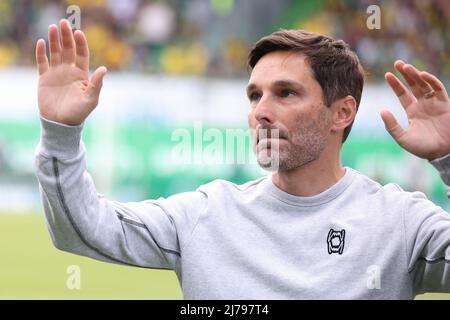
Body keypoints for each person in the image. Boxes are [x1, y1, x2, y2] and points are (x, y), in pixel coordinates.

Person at [35, 20, 450, 299]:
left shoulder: (399, 222)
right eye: (254, 95)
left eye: (286, 92)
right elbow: (81, 230)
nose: (260, 111)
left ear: (341, 113)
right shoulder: (207, 213)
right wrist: (59, 132)